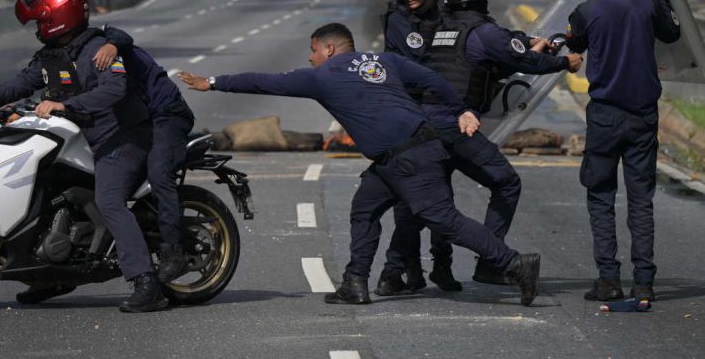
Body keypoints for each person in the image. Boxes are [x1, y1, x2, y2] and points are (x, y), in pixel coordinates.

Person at [177, 23, 543, 307]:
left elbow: (263, 82)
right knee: (364, 208)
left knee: (444, 220)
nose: (309, 58)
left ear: (330, 48)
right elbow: (431, 78)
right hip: (400, 155)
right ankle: (355, 283)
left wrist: (212, 82)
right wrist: (462, 108)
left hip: (409, 157)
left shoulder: (324, 75)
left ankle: (513, 263)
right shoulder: (384, 61)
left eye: (312, 51)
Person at [377, 0, 583, 297]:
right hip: (455, 125)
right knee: (506, 182)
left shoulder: (435, 28)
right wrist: (563, 62)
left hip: (422, 125)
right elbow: (524, 61)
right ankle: (491, 262)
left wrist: (524, 43)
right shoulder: (483, 32)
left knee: (427, 203)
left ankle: (392, 272)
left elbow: (479, 63)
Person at [0, 0, 168, 313]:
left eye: (41, 21)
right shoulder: (54, 53)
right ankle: (50, 276)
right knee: (39, 186)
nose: (38, 29)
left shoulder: (100, 49)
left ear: (58, 18)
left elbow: (114, 91)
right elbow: (25, 80)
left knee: (108, 199)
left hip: (121, 139)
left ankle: (147, 281)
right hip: (81, 139)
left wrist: (65, 106)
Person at [563, 0, 680, 302]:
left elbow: (574, 43)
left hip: (605, 116)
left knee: (600, 196)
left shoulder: (588, 9)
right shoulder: (647, 3)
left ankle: (609, 280)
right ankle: (644, 281)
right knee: (640, 199)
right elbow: (672, 33)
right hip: (644, 115)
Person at [91, 27, 196, 282]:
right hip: (135, 121)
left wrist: (112, 45)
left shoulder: (102, 40)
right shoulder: (65, 52)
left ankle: (174, 253)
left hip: (166, 114)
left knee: (158, 172)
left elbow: (122, 37)